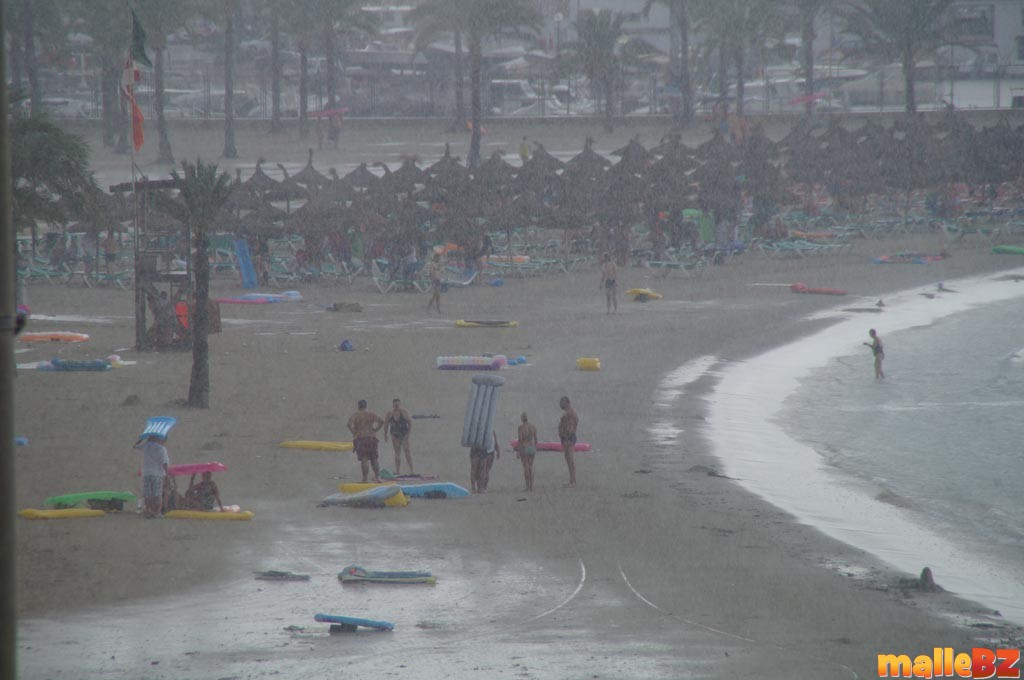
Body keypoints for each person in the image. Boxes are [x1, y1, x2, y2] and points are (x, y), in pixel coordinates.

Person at [347, 399, 385, 482]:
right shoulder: (371, 414)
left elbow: (349, 424)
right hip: (371, 437)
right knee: (374, 458)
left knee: (364, 459)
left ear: (358, 406)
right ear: (366, 406)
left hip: (360, 438)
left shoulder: (356, 415)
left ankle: (365, 479)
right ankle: (378, 477)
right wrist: (375, 429)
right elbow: (381, 421)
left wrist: (354, 432)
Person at [133, 433, 170, 518]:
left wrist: (142, 438)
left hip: (146, 473)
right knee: (157, 494)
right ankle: (157, 512)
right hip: (157, 474)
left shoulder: (146, 446)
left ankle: (149, 511)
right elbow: (164, 463)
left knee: (148, 494)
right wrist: (167, 475)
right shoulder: (161, 448)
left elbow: (135, 446)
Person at [383, 398, 413, 475]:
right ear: (393, 405)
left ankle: (411, 470)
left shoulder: (404, 412)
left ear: (400, 404)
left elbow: (410, 423)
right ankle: (397, 471)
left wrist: (408, 434)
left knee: (407, 452)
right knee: (397, 453)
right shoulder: (389, 413)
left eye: (397, 405)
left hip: (404, 434)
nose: (396, 406)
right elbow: (386, 424)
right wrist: (385, 434)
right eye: (395, 405)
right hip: (395, 434)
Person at [558, 396, 578, 487]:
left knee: (570, 459)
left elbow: (570, 427)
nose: (560, 404)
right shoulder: (569, 413)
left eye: (562, 403)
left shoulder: (569, 414)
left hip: (568, 438)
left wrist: (566, 438)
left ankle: (573, 481)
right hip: (567, 438)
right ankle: (572, 480)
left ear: (566, 403)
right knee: (568, 459)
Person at [514, 413, 538, 492]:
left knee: (526, 467)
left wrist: (518, 451)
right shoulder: (533, 427)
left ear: (522, 419)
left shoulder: (521, 428)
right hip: (532, 447)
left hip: (524, 447)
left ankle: (528, 486)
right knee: (530, 467)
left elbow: (520, 440)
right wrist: (535, 448)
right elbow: (536, 440)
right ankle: (531, 486)